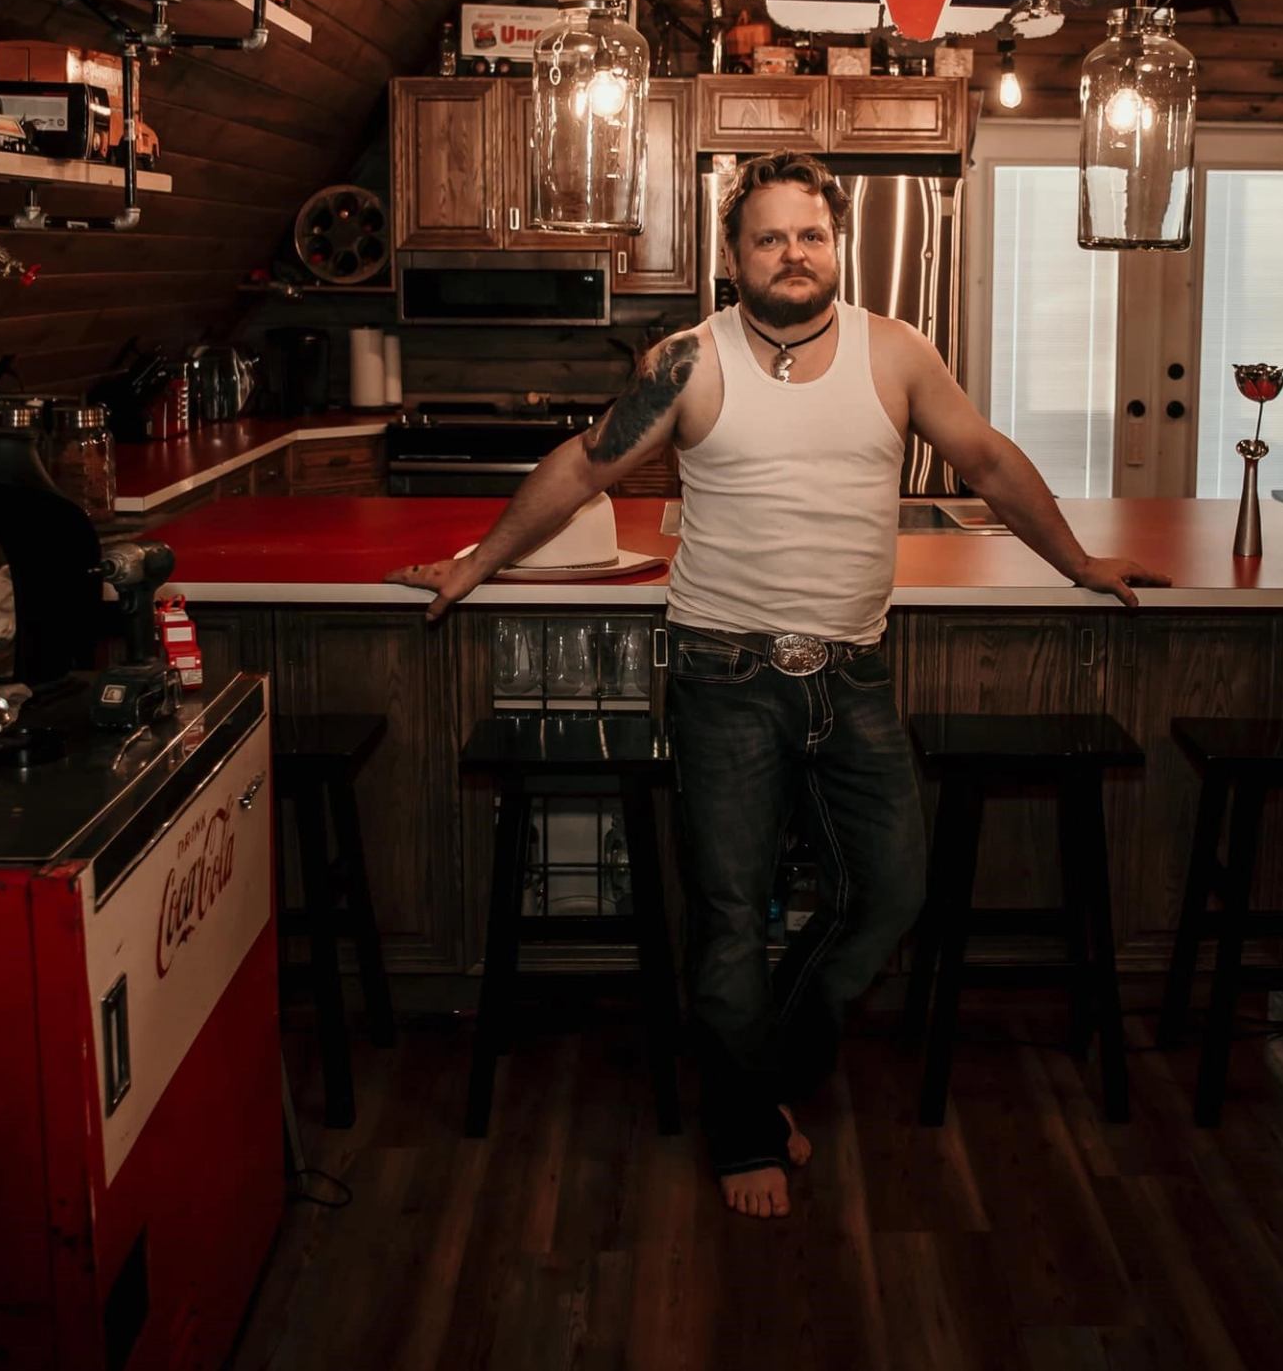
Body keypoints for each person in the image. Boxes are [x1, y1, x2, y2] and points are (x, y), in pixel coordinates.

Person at [387, 151, 1170, 1221]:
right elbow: (585, 463)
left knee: (889, 894)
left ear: (835, 244)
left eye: (810, 234)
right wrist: (478, 560)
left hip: (854, 672)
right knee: (727, 918)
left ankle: (764, 1070)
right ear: (733, 254)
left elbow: (986, 462)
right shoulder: (686, 361)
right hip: (723, 676)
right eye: (769, 236)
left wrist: (1077, 560)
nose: (793, 253)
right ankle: (745, 1127)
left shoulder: (897, 352)